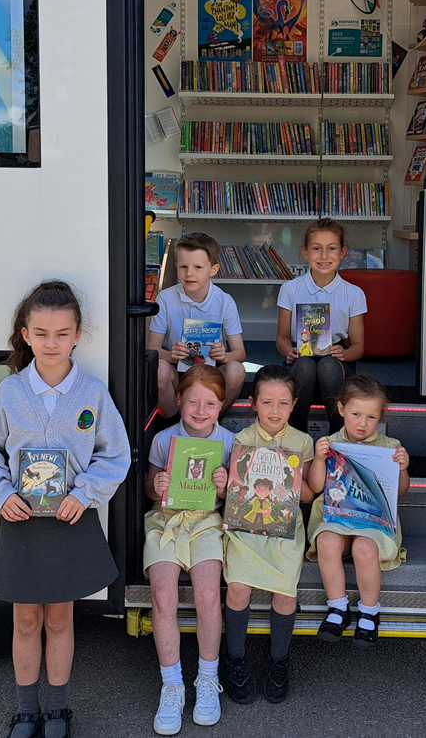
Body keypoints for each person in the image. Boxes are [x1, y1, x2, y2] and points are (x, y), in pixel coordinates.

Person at [0, 280, 131, 738]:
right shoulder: (9, 394)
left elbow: (115, 455)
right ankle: (25, 710)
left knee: (60, 618)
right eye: (41, 333)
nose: (51, 343)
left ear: (78, 334)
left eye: (62, 333)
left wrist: (86, 493)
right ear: (25, 335)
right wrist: (1, 495)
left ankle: (58, 710)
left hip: (70, 520)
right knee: (25, 619)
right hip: (22, 524)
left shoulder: (91, 394)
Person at [142, 365, 235, 735]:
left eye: (210, 403)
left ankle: (208, 680)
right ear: (178, 400)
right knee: (163, 596)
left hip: (207, 522)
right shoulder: (164, 439)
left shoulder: (229, 441)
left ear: (222, 405)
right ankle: (172, 684)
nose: (200, 410)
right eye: (193, 401)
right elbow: (149, 489)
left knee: (209, 594)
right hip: (166, 521)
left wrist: (226, 486)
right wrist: (157, 483)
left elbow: (236, 499)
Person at [220, 364, 314, 705]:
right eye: (267, 402)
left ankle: (279, 662)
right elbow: (234, 494)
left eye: (283, 403)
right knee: (239, 588)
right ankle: (236, 659)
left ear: (294, 405)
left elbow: (308, 495)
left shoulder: (303, 442)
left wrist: (292, 481)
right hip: (246, 527)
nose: (275, 411)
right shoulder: (242, 441)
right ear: (253, 404)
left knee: (286, 595)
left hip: (285, 529)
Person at [305, 374, 409, 647]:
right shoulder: (330, 443)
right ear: (340, 409)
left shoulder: (390, 447)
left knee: (364, 548)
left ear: (380, 417)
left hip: (373, 523)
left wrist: (403, 468)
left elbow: (400, 491)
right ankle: (338, 607)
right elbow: (315, 486)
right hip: (337, 517)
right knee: (326, 541)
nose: (363, 423)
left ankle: (369, 610)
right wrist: (319, 458)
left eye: (371, 417)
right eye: (355, 414)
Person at [276, 219, 367, 434]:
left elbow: (358, 347)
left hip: (336, 368)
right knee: (306, 365)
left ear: (342, 252)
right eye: (317, 249)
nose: (324, 256)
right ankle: (296, 436)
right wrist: (288, 351)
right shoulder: (290, 289)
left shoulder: (353, 293)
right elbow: (281, 338)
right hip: (300, 363)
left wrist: (344, 354)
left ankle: (340, 436)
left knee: (326, 365)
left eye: (332, 249)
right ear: (305, 252)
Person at [148, 233, 246, 419]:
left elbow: (240, 354)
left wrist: (224, 356)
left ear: (213, 269)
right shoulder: (165, 299)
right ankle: (170, 420)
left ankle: (212, 420)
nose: (189, 273)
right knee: (159, 368)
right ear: (176, 266)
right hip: (176, 372)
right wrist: (171, 355)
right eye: (183, 267)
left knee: (236, 370)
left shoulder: (225, 302)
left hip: (211, 374)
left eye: (198, 267)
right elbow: (152, 349)